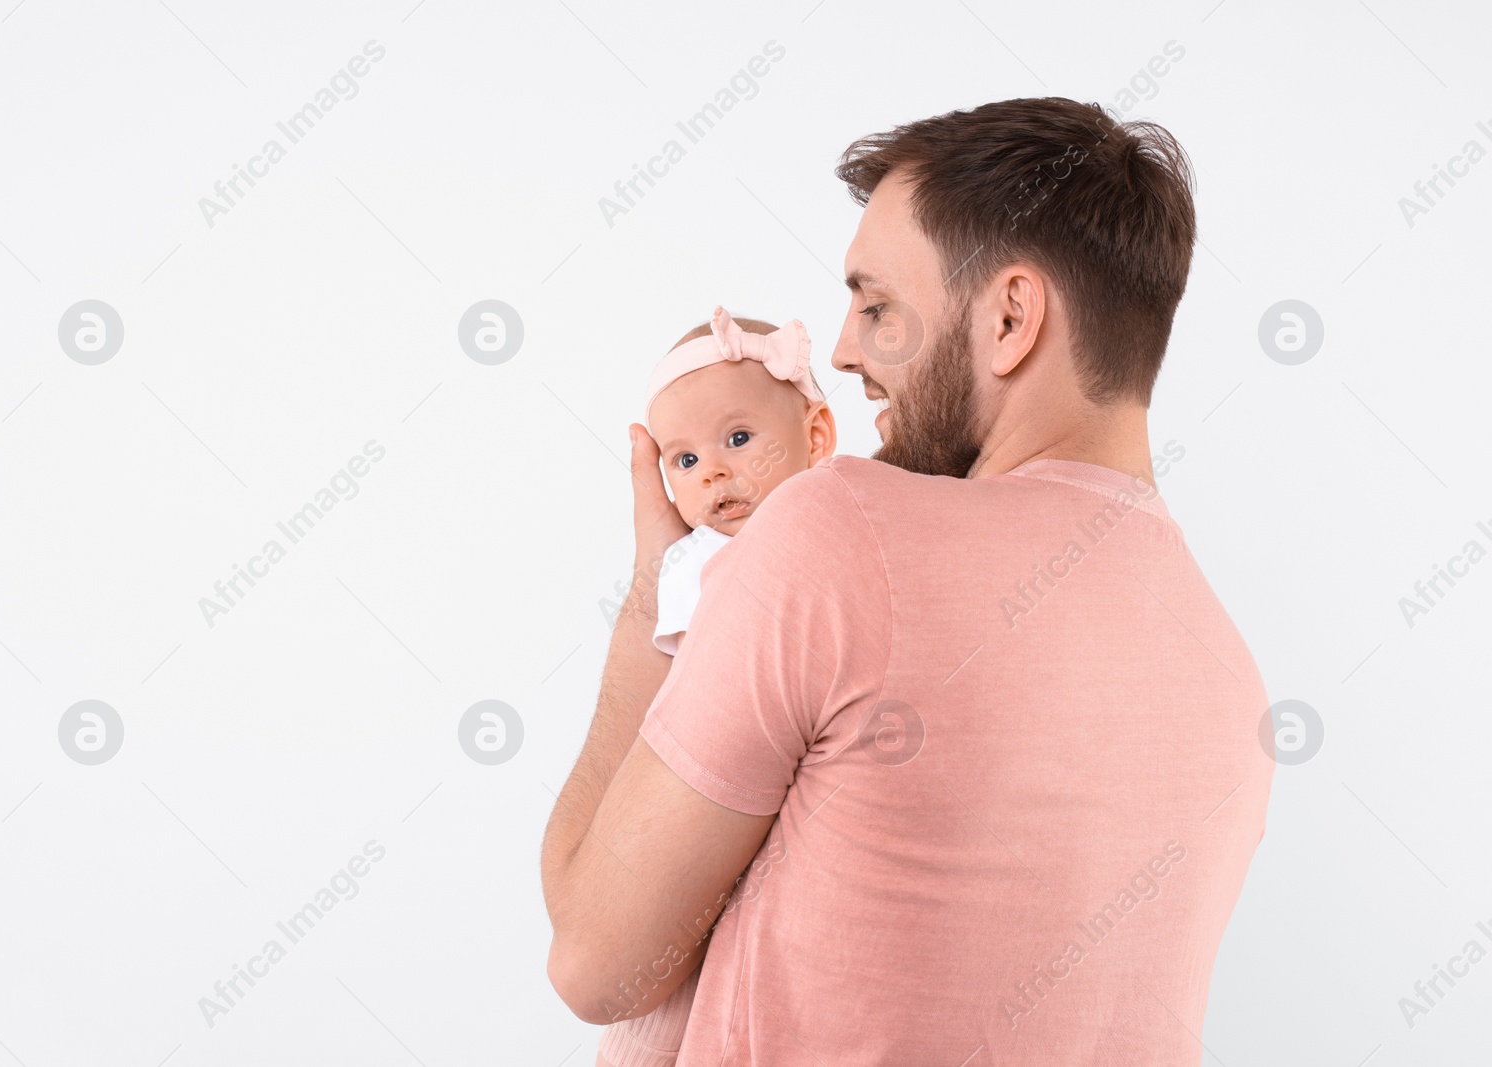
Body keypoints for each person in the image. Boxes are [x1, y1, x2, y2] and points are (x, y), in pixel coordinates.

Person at [542, 96, 1273, 1065]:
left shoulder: (843, 530)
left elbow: (597, 963)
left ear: (1010, 316)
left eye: (878, 306)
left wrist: (655, 593)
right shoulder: (1230, 678)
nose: (842, 351)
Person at [595, 306, 836, 1067]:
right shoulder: (692, 571)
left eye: (738, 439)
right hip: (695, 820)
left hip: (781, 836)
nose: (714, 473)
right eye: (685, 460)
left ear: (816, 438)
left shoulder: (834, 545)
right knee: (652, 1022)